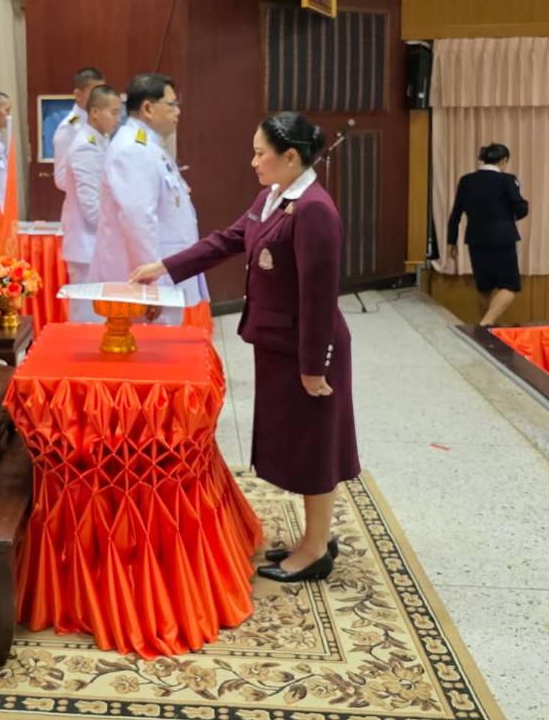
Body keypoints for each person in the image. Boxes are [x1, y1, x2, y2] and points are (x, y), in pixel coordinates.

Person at [129, 112, 354, 584]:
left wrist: (313, 368)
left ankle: (315, 550)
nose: (252, 161)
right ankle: (314, 535)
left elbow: (318, 295)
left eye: (259, 152)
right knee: (297, 441)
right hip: (278, 343)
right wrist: (165, 267)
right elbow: (228, 240)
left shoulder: (313, 209)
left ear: (290, 157)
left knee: (314, 446)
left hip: (305, 349)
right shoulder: (273, 196)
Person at [88, 73, 204, 324]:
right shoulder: (133, 149)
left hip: (163, 270)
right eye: (171, 105)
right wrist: (153, 286)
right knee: (152, 353)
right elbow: (138, 221)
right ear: (148, 108)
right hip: (147, 281)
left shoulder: (147, 146)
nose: (177, 112)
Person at [446, 142, 529, 326]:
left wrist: (451, 241)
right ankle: (485, 324)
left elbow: (456, 213)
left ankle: (488, 327)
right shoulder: (508, 180)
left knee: (485, 287)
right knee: (509, 286)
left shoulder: (466, 180)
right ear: (504, 160)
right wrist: (518, 210)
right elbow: (520, 207)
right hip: (503, 239)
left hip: (476, 240)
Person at [61, 84, 121, 321]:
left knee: (98, 318)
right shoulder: (86, 146)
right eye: (113, 112)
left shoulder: (99, 141)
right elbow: (92, 209)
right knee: (88, 319)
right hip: (87, 245)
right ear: (95, 112)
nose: (118, 119)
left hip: (95, 244)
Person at [52, 66, 105, 193]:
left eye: (102, 92)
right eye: (94, 93)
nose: (99, 98)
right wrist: (91, 187)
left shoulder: (102, 122)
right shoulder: (70, 128)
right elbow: (61, 178)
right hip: (82, 203)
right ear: (78, 95)